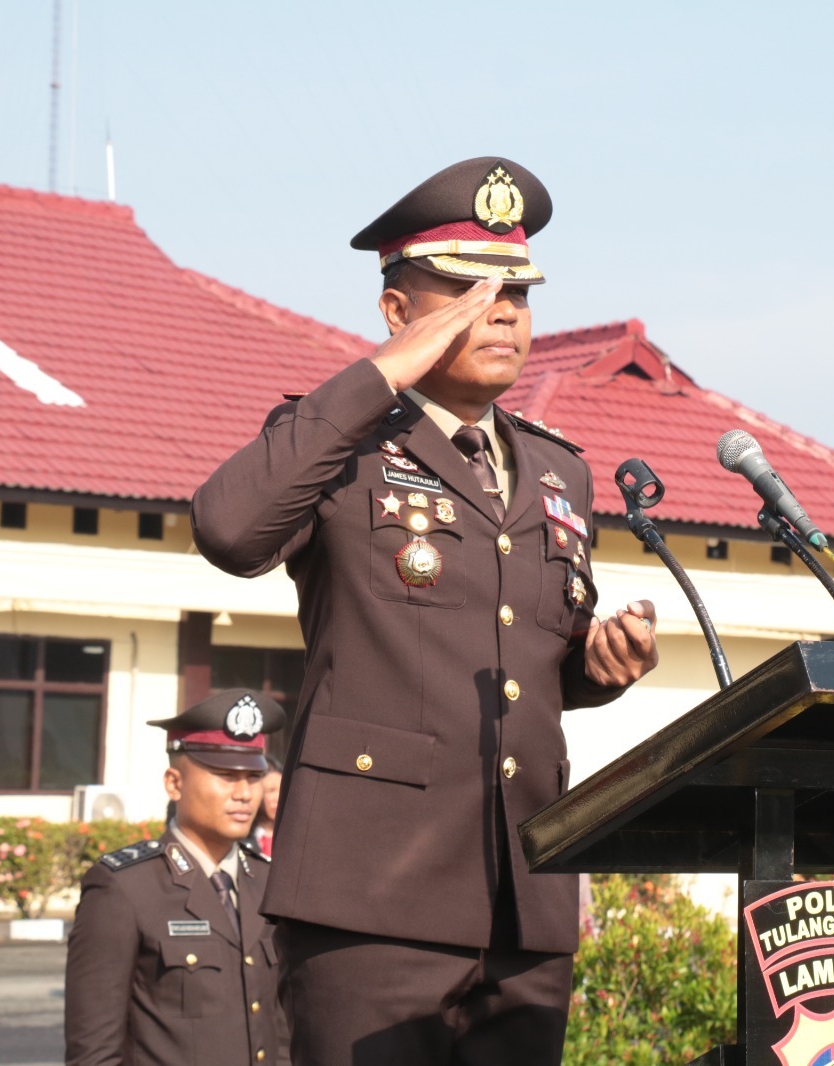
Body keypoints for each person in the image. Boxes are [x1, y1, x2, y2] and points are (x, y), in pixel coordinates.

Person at [191, 156, 659, 1065]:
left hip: (524, 900)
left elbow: (533, 662)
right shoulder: (341, 443)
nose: (503, 313)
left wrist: (596, 662)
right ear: (398, 311)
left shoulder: (559, 470)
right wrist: (381, 376)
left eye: (518, 294)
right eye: (465, 292)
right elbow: (230, 530)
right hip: (373, 897)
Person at [64, 688, 290, 1066]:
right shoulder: (124, 889)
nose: (243, 793)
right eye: (224, 775)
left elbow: (283, 1029)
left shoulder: (267, 882)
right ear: (174, 783)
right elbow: (94, 1052)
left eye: (253, 777)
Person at [251, 753, 283, 858]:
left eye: (282, 791)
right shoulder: (245, 837)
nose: (277, 798)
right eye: (271, 791)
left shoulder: (292, 836)